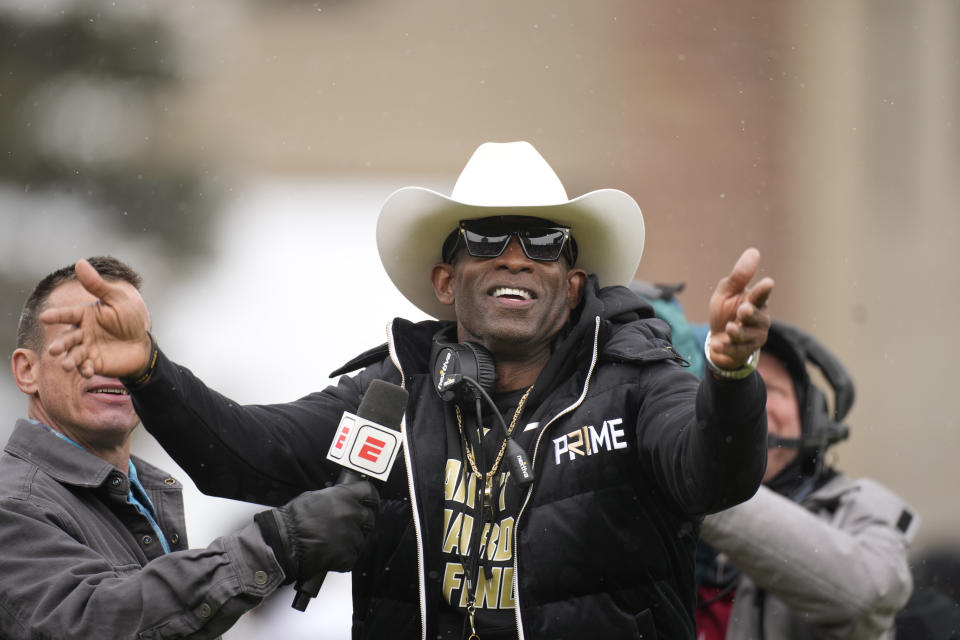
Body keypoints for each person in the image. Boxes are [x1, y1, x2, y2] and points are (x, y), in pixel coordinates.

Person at [40, 141, 775, 640]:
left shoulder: (638, 381)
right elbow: (240, 453)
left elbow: (716, 472)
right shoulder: (389, 397)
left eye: (543, 242)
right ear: (446, 282)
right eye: (486, 239)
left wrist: (731, 375)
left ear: (574, 279)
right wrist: (149, 370)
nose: (515, 257)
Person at [0, 257, 379, 640]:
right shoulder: (10, 501)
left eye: (127, 339)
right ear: (26, 371)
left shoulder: (137, 492)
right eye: (80, 339)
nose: (109, 363)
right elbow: (89, 623)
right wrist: (273, 546)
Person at [693, 320, 919, 639]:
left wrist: (700, 483)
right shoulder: (665, 515)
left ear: (811, 414)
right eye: (735, 389)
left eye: (769, 389)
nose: (751, 404)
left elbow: (867, 597)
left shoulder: (861, 508)